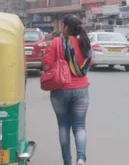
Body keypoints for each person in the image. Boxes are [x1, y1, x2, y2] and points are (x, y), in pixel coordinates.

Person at [42, 15, 92, 165]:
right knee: (80, 126)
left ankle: (67, 162)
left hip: (60, 90)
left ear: (65, 27)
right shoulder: (85, 44)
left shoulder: (57, 43)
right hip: (82, 90)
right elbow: (89, 64)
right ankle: (81, 158)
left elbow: (45, 66)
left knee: (64, 126)